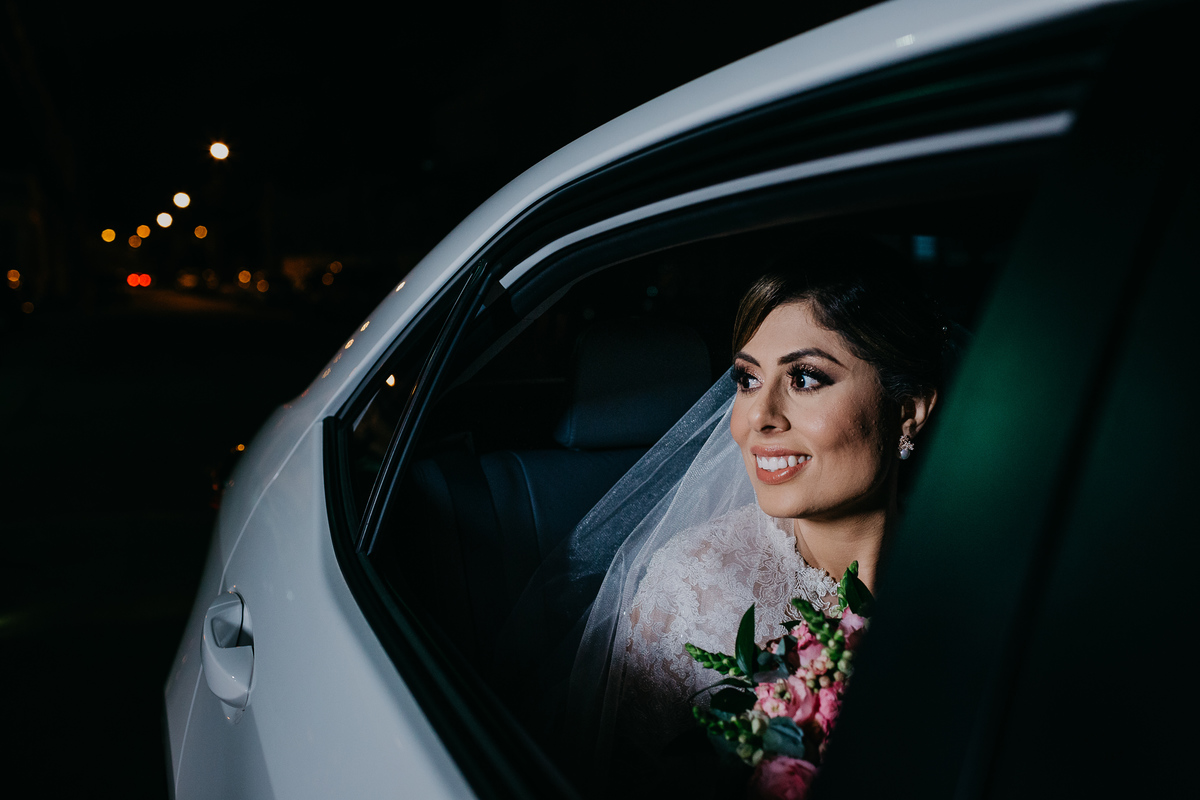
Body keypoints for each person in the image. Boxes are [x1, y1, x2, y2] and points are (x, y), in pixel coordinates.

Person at [556, 246, 948, 786]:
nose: (758, 418)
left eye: (805, 378)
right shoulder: (695, 589)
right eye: (747, 380)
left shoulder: (977, 569)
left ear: (908, 410)